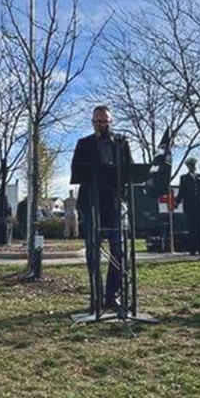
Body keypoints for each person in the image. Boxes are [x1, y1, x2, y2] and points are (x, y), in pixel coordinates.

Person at [70, 105, 134, 312]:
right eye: (97, 121)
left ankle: (111, 296)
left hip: (114, 205)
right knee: (93, 252)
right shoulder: (84, 144)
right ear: (92, 122)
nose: (101, 125)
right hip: (92, 204)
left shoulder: (122, 142)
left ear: (111, 121)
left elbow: (130, 169)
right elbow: (76, 171)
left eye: (104, 121)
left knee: (119, 251)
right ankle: (95, 297)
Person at [175, 157, 200, 255]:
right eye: (190, 166)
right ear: (188, 167)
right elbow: (181, 191)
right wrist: (177, 202)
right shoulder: (184, 178)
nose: (192, 167)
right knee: (192, 228)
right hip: (190, 206)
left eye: (193, 165)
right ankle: (192, 249)